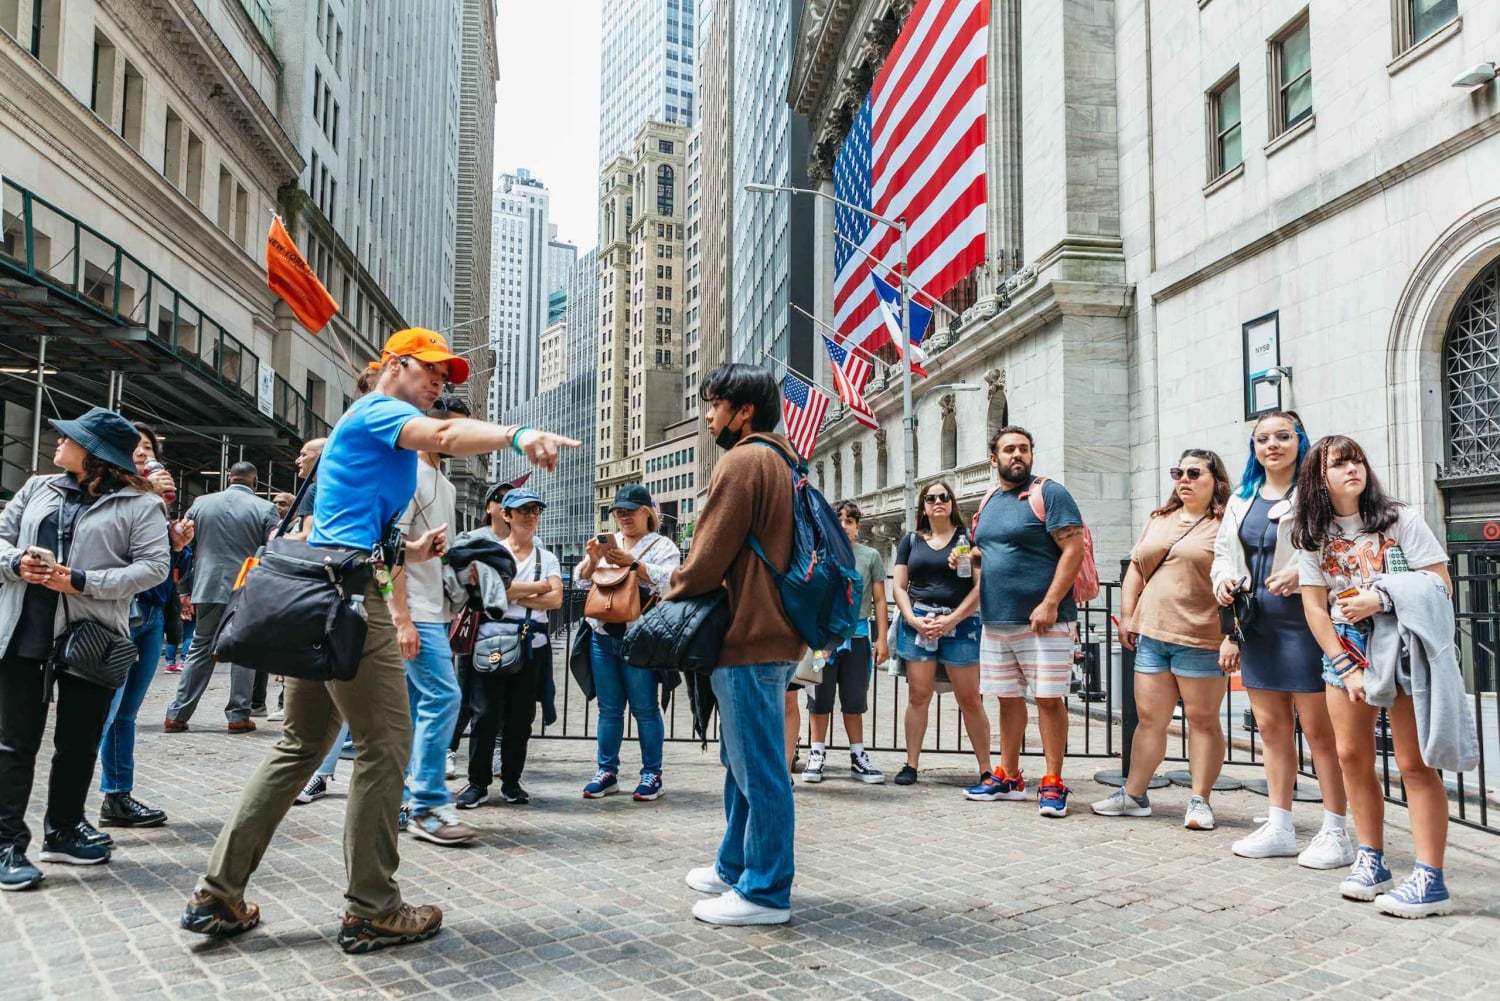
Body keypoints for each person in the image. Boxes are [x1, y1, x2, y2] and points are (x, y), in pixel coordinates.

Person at [181, 327, 576, 952]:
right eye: (430, 372)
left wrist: (407, 549)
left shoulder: (374, 424)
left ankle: (219, 893)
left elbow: (358, 526)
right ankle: (373, 906)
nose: (438, 386)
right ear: (393, 365)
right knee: (385, 744)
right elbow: (444, 436)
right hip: (343, 600)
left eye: (445, 380)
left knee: (302, 744)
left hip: (332, 586)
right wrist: (518, 435)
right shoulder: (381, 412)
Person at [0, 408, 170, 889]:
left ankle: (63, 831)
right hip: (23, 628)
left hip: (92, 638)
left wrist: (82, 581)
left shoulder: (141, 506)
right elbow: (1, 537)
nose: (58, 441)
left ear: (93, 455)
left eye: (69, 438)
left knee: (77, 743)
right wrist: (17, 563)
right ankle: (6, 844)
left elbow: (154, 567)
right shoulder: (37, 487)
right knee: (14, 743)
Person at [1293, 435, 1457, 917]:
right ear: (1318, 478)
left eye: (1357, 460)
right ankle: (1371, 858)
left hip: (1399, 643)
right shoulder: (1311, 534)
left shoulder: (1398, 517)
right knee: (1351, 756)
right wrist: (1344, 667)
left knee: (1413, 762)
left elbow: (1440, 583)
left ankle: (1430, 877)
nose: (1352, 470)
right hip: (1344, 649)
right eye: (1340, 463)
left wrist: (1380, 598)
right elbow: (1314, 605)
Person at [670, 363, 805, 927]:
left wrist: (672, 587)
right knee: (743, 760)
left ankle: (765, 891)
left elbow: (706, 559)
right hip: (772, 632)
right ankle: (735, 865)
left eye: (714, 404)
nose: (707, 416)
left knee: (760, 768)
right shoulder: (784, 460)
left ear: (742, 410)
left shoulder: (745, 460)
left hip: (749, 634)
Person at [1211, 411, 1350, 867]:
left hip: (1306, 622)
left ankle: (1336, 831)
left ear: (1300, 441)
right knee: (1271, 730)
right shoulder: (1241, 498)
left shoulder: (1318, 494)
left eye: (1283, 436)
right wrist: (1223, 581)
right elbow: (1223, 554)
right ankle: (1280, 826)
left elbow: (1342, 548)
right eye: (1262, 438)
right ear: (1253, 449)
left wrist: (1302, 571)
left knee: (1319, 733)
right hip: (1257, 624)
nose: (1272, 444)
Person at [1092, 450, 1231, 830]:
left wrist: (1232, 636)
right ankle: (1134, 794)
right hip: (1152, 632)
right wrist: (1127, 613)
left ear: (1215, 480)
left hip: (1200, 635)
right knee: (1149, 720)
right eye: (1177, 472)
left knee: (1202, 722)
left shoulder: (1225, 524)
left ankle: (1200, 800)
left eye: (1193, 473)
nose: (1183, 479)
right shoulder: (1160, 519)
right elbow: (1136, 566)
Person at [968, 426, 1086, 817]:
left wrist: (1051, 603)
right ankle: (1010, 776)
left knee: (1050, 700)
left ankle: (1053, 780)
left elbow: (1073, 548)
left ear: (1032, 454)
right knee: (1007, 699)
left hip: (1044, 621)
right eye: (1008, 449)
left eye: (1023, 448)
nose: (1016, 454)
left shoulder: (1048, 493)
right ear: (994, 458)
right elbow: (991, 552)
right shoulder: (988, 500)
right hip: (997, 620)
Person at [94, 422, 194, 833]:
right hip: (115, 614)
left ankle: (117, 795)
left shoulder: (156, 499)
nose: (141, 451)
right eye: (133, 446)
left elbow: (165, 569)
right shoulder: (101, 494)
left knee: (126, 714)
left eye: (148, 446)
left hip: (150, 614)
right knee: (103, 710)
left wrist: (176, 545)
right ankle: (67, 810)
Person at [394, 393, 474, 845]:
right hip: (415, 612)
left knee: (410, 711)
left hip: (436, 609)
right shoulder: (408, 474)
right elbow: (391, 552)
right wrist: (402, 617)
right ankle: (426, 803)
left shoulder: (445, 484)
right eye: (454, 428)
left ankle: (403, 801)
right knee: (445, 696)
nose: (460, 438)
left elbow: (437, 556)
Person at [454, 487, 562, 808]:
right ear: (507, 515)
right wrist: (536, 588)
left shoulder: (549, 557)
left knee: (521, 717)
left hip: (532, 645)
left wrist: (509, 592)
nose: (531, 515)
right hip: (490, 643)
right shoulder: (490, 551)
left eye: (536, 510)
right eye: (524, 509)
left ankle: (512, 781)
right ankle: (477, 783)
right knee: (484, 714)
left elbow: (555, 598)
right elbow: (488, 595)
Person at [575, 484, 680, 801]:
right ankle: (606, 771)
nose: (623, 518)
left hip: (640, 638)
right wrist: (594, 560)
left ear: (647, 512)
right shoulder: (609, 542)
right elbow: (581, 579)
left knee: (645, 709)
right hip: (603, 634)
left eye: (629, 511)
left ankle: (652, 774)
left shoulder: (662, 545)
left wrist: (633, 563)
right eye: (619, 512)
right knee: (608, 710)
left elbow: (671, 579)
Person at [163, 462, 280, 734]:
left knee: (201, 647)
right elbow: (274, 548)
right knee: (243, 649)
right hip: (247, 588)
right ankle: (238, 716)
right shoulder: (265, 508)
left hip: (206, 585)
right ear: (256, 482)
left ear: (228, 478)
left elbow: (183, 542)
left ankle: (177, 714)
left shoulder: (201, 503)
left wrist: (184, 589)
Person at [889, 480, 988, 790]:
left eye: (944, 496)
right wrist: (911, 619)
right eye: (930, 498)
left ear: (952, 502)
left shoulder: (967, 539)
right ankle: (911, 764)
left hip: (961, 622)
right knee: (918, 695)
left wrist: (952, 619)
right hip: (919, 620)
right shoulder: (910, 541)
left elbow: (980, 586)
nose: (937, 502)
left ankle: (986, 768)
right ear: (923, 506)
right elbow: (898, 585)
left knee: (970, 698)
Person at [445, 475, 529, 780]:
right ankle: (449, 749)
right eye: (501, 498)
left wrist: (508, 588)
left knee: (504, 696)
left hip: (511, 630)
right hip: (474, 626)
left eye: (513, 499)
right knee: (463, 690)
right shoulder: (472, 538)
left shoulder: (529, 541)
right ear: (491, 507)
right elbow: (461, 578)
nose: (507, 503)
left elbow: (545, 589)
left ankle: (494, 749)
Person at [801, 501, 889, 785]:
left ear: (857, 526)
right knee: (819, 699)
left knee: (854, 700)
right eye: (837, 521)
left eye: (849, 521)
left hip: (859, 637)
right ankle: (816, 754)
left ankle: (858, 756)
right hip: (823, 640)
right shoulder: (819, 555)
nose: (843, 526)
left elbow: (879, 600)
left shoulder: (870, 556)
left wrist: (883, 638)